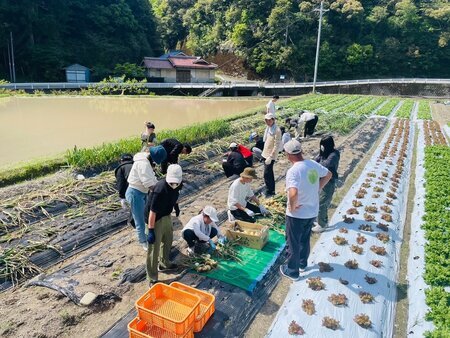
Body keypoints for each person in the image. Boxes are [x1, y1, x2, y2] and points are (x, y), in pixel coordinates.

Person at [279, 139, 332, 281]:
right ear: (300, 151)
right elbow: (328, 174)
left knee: (293, 241)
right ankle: (302, 264)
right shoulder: (312, 164)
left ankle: (292, 271)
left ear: (288, 154)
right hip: (311, 211)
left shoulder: (293, 171)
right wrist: (319, 187)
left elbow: (293, 193)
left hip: (297, 214)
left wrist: (292, 205)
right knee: (304, 239)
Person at [145, 164, 183, 284]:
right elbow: (152, 212)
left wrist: (176, 206)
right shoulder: (160, 189)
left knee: (168, 240)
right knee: (154, 248)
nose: (174, 185)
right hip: (154, 219)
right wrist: (151, 230)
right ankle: (152, 277)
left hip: (166, 215)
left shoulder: (179, 184)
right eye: (172, 183)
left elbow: (175, 195)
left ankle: (164, 263)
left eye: (176, 183)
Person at [126, 146, 167, 250]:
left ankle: (145, 236)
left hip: (142, 192)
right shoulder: (143, 164)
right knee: (139, 219)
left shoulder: (147, 161)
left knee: (145, 216)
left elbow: (152, 178)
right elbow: (148, 183)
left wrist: (161, 185)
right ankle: (143, 242)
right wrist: (161, 191)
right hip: (135, 193)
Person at [312, 136, 340, 233]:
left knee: (322, 203)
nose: (321, 147)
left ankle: (322, 225)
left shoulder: (334, 155)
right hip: (322, 180)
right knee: (319, 200)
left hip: (329, 181)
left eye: (323, 145)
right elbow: (317, 160)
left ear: (327, 145)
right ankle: (322, 220)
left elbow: (325, 165)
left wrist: (316, 164)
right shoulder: (324, 153)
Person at [261, 113, 282, 197]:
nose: (268, 122)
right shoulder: (269, 128)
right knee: (268, 173)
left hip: (270, 155)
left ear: (273, 120)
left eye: (269, 120)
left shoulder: (277, 130)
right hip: (265, 153)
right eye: (266, 120)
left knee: (267, 173)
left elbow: (276, 145)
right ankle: (270, 189)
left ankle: (270, 191)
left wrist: (271, 156)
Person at [114, 153, 134, 227]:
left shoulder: (120, 168)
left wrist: (122, 197)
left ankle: (133, 222)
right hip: (145, 186)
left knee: (135, 206)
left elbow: (121, 184)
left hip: (133, 189)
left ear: (121, 161)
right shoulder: (136, 165)